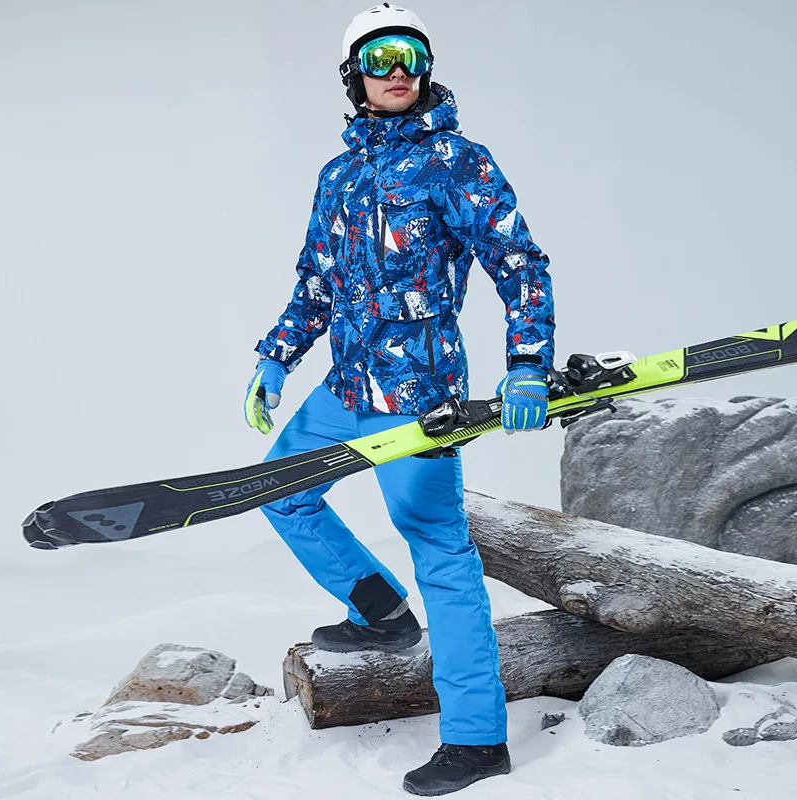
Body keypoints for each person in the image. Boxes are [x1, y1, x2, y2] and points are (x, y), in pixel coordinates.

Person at [245, 4, 554, 795]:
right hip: (346, 385)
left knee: (439, 548)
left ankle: (477, 738)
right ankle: (380, 611)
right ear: (354, 74)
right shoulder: (339, 174)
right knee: (280, 491)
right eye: (379, 57)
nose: (396, 71)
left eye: (410, 55)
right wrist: (277, 358)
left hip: (420, 393)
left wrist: (528, 364)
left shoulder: (457, 161)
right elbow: (316, 282)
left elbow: (518, 263)